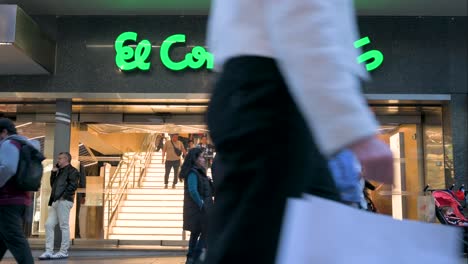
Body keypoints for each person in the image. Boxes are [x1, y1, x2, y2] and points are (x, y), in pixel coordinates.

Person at [205, 1, 394, 263]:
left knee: (309, 239)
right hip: (274, 91)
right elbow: (303, 18)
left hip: (263, 88)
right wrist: (355, 130)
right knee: (259, 244)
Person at [0, 118, 36, 264]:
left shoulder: (9, 143)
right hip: (19, 199)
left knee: (16, 240)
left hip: (7, 200)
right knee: (3, 238)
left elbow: (8, 167)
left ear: (3, 132)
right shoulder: (22, 144)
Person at [39, 152, 79, 260]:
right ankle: (49, 251)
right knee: (48, 225)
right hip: (56, 201)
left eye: (60, 158)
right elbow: (53, 185)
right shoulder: (59, 171)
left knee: (64, 225)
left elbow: (73, 185)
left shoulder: (73, 171)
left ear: (66, 159)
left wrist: (63, 196)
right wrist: (53, 173)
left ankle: (63, 251)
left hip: (64, 201)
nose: (58, 160)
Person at [179, 148, 214, 264]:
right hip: (199, 210)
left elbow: (208, 191)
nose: (204, 159)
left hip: (201, 209)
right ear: (195, 159)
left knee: (195, 233)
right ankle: (196, 257)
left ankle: (191, 258)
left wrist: (209, 181)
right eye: (201, 157)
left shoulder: (199, 172)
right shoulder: (193, 173)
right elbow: (193, 190)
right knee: (206, 232)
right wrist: (201, 204)